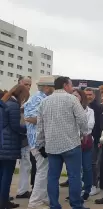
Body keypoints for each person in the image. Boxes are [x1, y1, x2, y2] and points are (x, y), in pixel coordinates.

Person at [36, 76, 90, 209]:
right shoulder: (72, 99)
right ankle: (76, 205)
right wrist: (84, 133)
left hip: (52, 146)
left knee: (53, 177)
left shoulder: (45, 101)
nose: (72, 88)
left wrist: (41, 143)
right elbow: (82, 118)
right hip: (71, 143)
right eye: (71, 85)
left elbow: (40, 125)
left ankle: (54, 205)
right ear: (65, 85)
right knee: (74, 176)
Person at [25, 76, 56, 209]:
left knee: (45, 170)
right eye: (54, 88)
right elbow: (30, 118)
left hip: (39, 141)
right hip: (38, 142)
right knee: (42, 171)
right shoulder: (39, 98)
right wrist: (48, 119)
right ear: (47, 87)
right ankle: (35, 202)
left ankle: (42, 198)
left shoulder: (40, 98)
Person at [0, 85, 30, 209]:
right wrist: (28, 129)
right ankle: (4, 202)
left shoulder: (4, 102)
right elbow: (15, 126)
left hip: (3, 142)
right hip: (9, 144)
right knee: (7, 175)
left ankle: (3, 200)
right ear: (21, 95)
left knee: (1, 174)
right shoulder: (13, 105)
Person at [63, 89, 95, 201]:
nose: (74, 98)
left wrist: (80, 129)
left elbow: (90, 125)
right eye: (72, 96)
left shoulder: (89, 111)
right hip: (71, 142)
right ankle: (75, 193)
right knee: (74, 170)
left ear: (81, 97)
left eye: (76, 96)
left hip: (85, 142)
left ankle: (87, 189)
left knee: (86, 167)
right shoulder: (67, 110)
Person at [16, 76, 33, 200]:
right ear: (19, 83)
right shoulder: (14, 100)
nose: (28, 87)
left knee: (26, 165)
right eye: (26, 84)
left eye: (29, 85)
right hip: (18, 136)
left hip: (25, 138)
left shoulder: (28, 100)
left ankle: (23, 189)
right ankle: (22, 191)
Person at [84, 87, 103, 196]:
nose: (88, 96)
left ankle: (94, 185)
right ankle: (87, 184)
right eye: (86, 94)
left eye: (90, 94)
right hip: (84, 140)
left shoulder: (98, 108)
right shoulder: (81, 107)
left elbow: (100, 124)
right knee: (85, 164)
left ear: (94, 96)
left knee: (93, 163)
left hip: (95, 139)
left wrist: (99, 138)